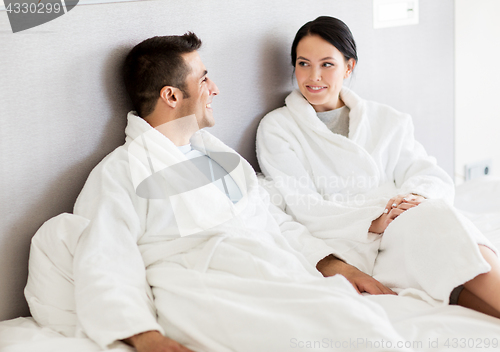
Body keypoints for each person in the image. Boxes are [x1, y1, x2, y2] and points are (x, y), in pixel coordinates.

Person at [72, 32, 406, 352]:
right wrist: (148, 339)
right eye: (203, 79)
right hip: (219, 290)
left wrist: (338, 266)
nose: (214, 89)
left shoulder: (219, 157)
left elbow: (273, 220)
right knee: (353, 331)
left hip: (279, 275)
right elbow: (105, 259)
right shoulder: (122, 171)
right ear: (171, 96)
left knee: (367, 324)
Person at [256, 16, 500, 319]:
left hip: (405, 222)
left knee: (438, 223)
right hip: (351, 237)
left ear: (349, 66)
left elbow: (427, 174)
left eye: (327, 64)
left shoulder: (388, 120)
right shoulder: (278, 128)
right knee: (442, 242)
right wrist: (373, 220)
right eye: (303, 63)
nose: (313, 75)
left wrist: (413, 199)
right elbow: (301, 205)